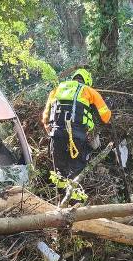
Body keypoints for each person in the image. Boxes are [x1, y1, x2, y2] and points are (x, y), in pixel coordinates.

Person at [42, 69, 112, 201]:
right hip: (77, 136)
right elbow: (106, 117)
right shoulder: (89, 91)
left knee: (59, 173)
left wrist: (50, 131)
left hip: (56, 135)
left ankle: (60, 203)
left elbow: (45, 117)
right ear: (87, 81)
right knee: (76, 171)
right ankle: (73, 204)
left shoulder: (57, 89)